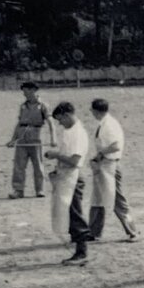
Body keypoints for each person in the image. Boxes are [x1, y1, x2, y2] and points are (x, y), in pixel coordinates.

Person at [44, 102, 93, 266]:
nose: (60, 124)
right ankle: (78, 246)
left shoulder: (77, 133)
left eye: (60, 120)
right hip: (66, 175)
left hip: (74, 176)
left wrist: (55, 155)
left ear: (67, 114)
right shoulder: (69, 131)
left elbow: (74, 160)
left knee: (75, 212)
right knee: (68, 211)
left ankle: (82, 252)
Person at [88, 99, 138, 241]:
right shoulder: (104, 123)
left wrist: (100, 153)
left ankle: (132, 230)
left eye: (92, 111)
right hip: (103, 164)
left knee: (117, 199)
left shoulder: (109, 125)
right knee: (97, 199)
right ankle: (93, 232)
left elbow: (116, 146)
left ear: (97, 111)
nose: (92, 113)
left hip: (110, 165)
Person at [7, 81, 55, 197]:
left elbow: (50, 122)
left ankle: (40, 189)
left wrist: (54, 138)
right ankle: (18, 190)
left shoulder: (43, 105)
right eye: (23, 91)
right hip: (22, 138)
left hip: (36, 137)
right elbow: (19, 124)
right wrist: (13, 139)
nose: (24, 94)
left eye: (26, 91)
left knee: (38, 164)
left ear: (33, 90)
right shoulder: (23, 106)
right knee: (19, 165)